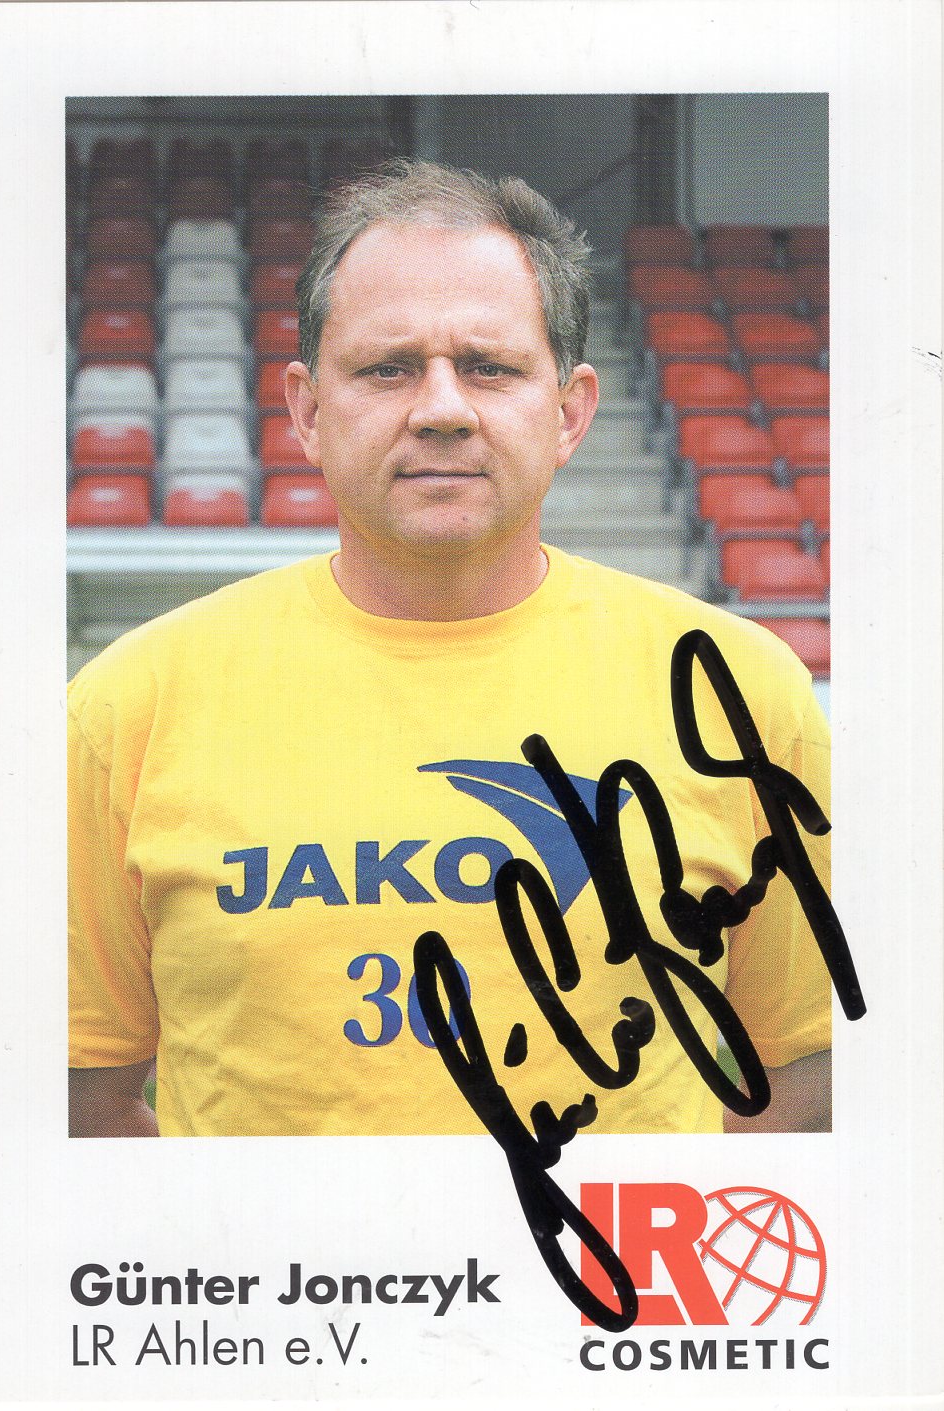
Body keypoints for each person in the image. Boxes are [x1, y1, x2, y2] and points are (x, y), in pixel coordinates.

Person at [68, 160, 832, 1139]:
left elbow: (800, 1077)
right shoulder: (130, 705)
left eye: (488, 367)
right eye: (387, 368)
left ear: (569, 410)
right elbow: (81, 1097)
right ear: (306, 410)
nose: (440, 408)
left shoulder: (738, 693)